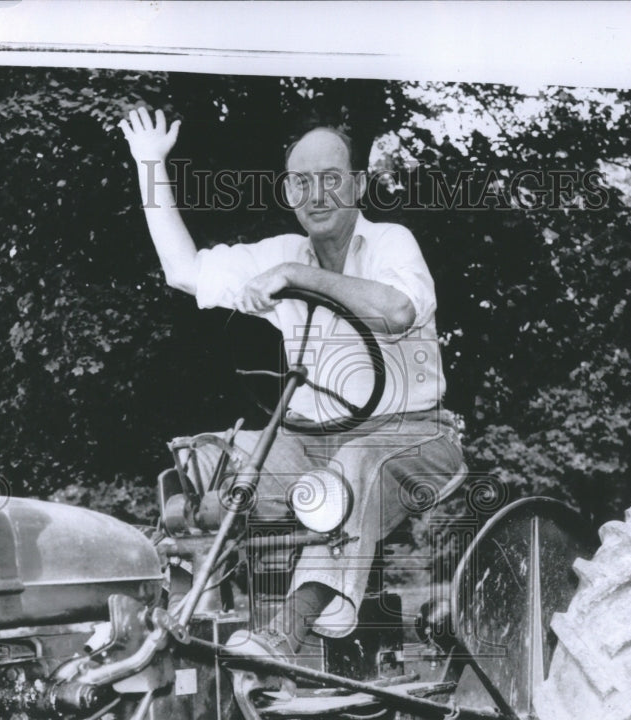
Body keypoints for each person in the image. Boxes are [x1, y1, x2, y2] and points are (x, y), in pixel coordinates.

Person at [119, 107, 464, 665]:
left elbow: (399, 311)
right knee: (201, 464)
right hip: (307, 443)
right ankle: (174, 618)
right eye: (302, 181)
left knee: (352, 468)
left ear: (356, 184)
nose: (317, 193)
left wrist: (299, 280)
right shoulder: (280, 252)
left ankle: (282, 639)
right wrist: (149, 164)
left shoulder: (391, 243)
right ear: (287, 190)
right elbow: (185, 271)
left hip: (414, 438)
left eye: (331, 178)